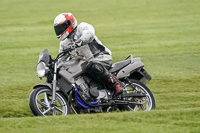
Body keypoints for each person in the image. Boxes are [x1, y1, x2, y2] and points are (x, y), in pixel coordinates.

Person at [53, 13, 123, 95]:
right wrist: (53, 66)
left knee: (92, 65)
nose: (60, 30)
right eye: (58, 29)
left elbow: (90, 33)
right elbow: (62, 58)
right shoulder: (64, 43)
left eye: (61, 27)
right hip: (85, 65)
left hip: (102, 57)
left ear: (69, 24)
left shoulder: (82, 27)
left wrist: (79, 42)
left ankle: (116, 84)